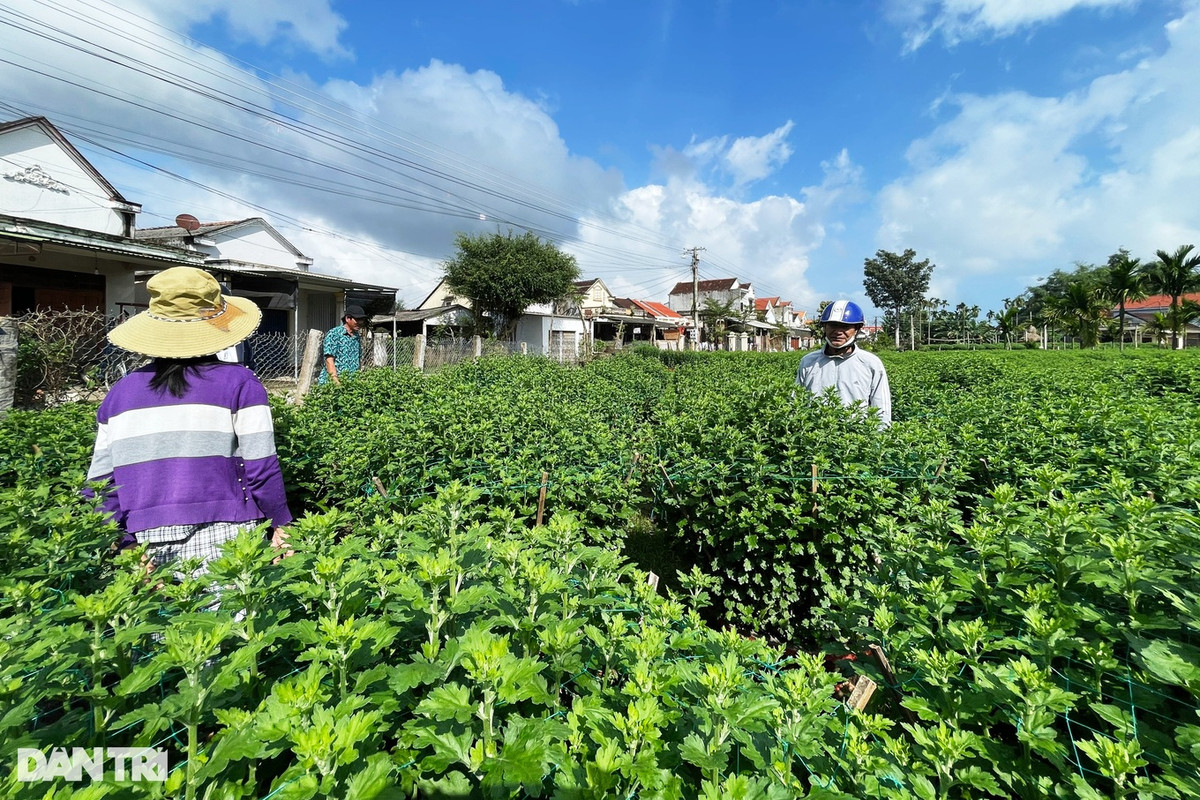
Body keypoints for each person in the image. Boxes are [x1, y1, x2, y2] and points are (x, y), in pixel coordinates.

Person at [85, 267, 293, 577]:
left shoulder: (120, 394)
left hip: (144, 540)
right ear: (217, 327)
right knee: (232, 623)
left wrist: (125, 545)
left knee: (159, 625)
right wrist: (281, 523)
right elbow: (261, 467)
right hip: (228, 533)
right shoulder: (241, 383)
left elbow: (98, 487)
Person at [796, 300, 891, 426]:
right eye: (833, 326)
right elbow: (796, 401)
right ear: (825, 327)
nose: (838, 332)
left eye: (846, 327)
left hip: (856, 439)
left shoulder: (871, 363)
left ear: (857, 329)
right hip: (814, 437)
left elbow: (881, 408)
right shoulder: (808, 361)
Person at [319, 304, 368, 385]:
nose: (360, 322)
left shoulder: (357, 336)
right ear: (348, 318)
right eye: (357, 319)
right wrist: (335, 381)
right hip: (332, 384)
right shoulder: (334, 334)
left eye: (362, 320)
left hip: (350, 384)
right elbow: (329, 360)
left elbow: (358, 360)